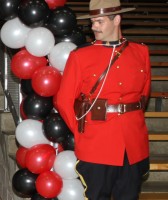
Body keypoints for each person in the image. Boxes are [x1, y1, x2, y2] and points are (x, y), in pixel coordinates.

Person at [56, 0, 151, 199]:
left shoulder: (140, 52)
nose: (94, 27)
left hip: (133, 144)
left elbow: (144, 95)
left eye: (99, 22)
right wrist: (82, 130)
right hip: (97, 144)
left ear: (116, 19)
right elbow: (63, 101)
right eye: (92, 22)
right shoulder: (81, 56)